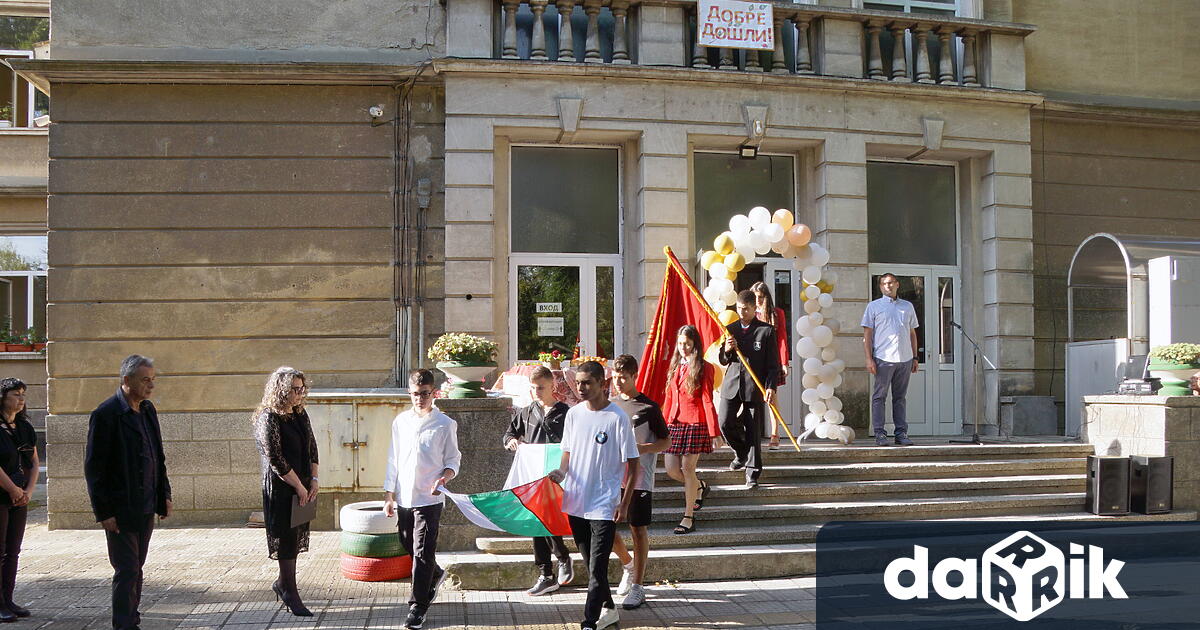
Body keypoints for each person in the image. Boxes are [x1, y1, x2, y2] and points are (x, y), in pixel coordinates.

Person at [548, 361, 639, 630]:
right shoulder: (574, 414)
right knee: (590, 564)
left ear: (602, 383)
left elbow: (633, 465)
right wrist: (562, 472)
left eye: (587, 382)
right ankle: (609, 609)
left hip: (604, 503)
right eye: (578, 383)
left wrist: (624, 503)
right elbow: (568, 451)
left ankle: (589, 620)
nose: (581, 388)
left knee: (598, 567)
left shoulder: (617, 417)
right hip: (576, 500)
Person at [84, 355, 172, 630]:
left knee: (137, 567)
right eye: (145, 380)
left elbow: (158, 455)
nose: (151, 386)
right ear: (126, 381)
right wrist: (104, 512)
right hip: (120, 508)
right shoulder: (106, 414)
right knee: (127, 570)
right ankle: (124, 624)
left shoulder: (148, 410)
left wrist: (164, 494)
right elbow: (94, 469)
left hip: (145, 503)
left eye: (153, 380)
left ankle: (133, 618)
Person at [384, 369, 461, 630]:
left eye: (425, 394)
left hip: (430, 498)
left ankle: (417, 607)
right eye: (416, 394)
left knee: (422, 552)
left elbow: (453, 459)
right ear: (409, 393)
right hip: (405, 495)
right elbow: (393, 459)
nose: (420, 399)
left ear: (434, 393)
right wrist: (389, 494)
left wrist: (445, 477)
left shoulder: (445, 424)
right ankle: (436, 574)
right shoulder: (400, 422)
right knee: (407, 543)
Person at [251, 367, 319, 617]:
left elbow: (312, 446)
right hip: (282, 486)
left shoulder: (300, 413)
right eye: (295, 389)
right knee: (285, 537)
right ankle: (290, 591)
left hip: (301, 482)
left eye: (302, 389)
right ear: (281, 389)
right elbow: (275, 458)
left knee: (295, 537)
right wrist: (299, 486)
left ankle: (283, 584)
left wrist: (313, 479)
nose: (301, 394)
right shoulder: (268, 417)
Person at [503, 366, 574, 596]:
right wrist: (511, 441)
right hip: (533, 475)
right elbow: (509, 433)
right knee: (537, 519)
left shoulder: (566, 413)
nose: (536, 392)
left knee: (550, 518)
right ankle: (547, 571)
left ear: (553, 386)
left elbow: (574, 442)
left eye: (541, 388)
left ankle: (560, 560)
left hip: (557, 475)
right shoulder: (526, 411)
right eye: (533, 388)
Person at [608, 355, 670, 610]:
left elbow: (666, 442)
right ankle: (628, 565)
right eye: (615, 376)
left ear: (634, 376)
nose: (618, 382)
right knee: (606, 528)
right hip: (611, 478)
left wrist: (643, 448)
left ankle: (638, 586)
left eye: (623, 377)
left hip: (640, 480)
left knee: (637, 529)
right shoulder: (608, 406)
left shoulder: (648, 408)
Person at [661, 325, 719, 535]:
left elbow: (707, 400)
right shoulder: (675, 365)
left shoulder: (705, 367)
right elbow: (669, 399)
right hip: (675, 423)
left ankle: (688, 517)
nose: (683, 347)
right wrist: (663, 426)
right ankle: (700, 486)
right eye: (680, 343)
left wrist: (714, 431)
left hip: (696, 423)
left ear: (695, 343)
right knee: (671, 469)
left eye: (687, 343)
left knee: (687, 469)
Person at [718, 290, 779, 490]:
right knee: (725, 422)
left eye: (745, 309)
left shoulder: (766, 331)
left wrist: (770, 387)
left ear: (754, 308)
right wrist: (727, 349)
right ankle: (741, 453)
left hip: (755, 386)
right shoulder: (730, 329)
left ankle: (752, 473)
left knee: (753, 431)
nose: (741, 312)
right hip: (732, 384)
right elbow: (722, 360)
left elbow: (773, 365)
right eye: (738, 309)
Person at [862, 273, 919, 447]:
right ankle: (880, 433)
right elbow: (867, 335)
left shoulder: (907, 306)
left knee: (900, 398)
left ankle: (901, 433)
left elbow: (912, 333)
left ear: (897, 284)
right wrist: (869, 359)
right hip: (883, 358)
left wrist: (915, 357)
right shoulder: (873, 307)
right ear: (880, 287)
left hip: (905, 358)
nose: (888, 286)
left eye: (890, 283)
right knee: (879, 396)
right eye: (884, 284)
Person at [0, 378, 37, 621]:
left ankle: (9, 599)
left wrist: (28, 492)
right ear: (3, 397)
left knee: (13, 550)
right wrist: (12, 488)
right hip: (2, 495)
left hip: (20, 496)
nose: (20, 399)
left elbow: (33, 461)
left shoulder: (24, 427)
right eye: (15, 394)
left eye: (23, 394)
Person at [751, 282, 790, 450]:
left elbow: (782, 338)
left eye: (761, 297)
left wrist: (784, 362)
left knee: (771, 398)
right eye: (755, 297)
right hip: (752, 362)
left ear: (766, 297)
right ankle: (750, 435)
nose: (758, 300)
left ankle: (775, 433)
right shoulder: (749, 313)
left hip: (771, 362)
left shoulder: (776, 313)